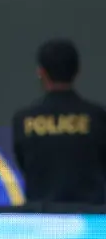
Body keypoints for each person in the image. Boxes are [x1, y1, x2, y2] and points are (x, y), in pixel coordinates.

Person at [12, 39, 106, 206]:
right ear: (77, 71)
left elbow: (24, 164)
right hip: (92, 218)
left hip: (41, 218)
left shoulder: (23, 120)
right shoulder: (98, 117)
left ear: (41, 72)